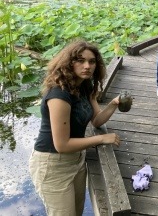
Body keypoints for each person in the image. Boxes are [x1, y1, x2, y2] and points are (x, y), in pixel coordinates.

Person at [29, 40, 122, 216]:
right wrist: (101, 138)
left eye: (92, 61)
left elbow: (96, 120)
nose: (87, 66)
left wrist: (114, 104)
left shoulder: (85, 86)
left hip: (77, 159)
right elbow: (62, 145)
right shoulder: (59, 94)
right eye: (80, 60)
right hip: (52, 164)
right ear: (68, 62)